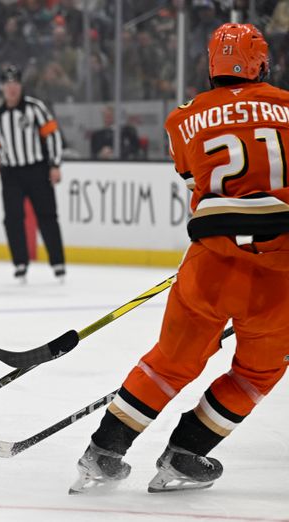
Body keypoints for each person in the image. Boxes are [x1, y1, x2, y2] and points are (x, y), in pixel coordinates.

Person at [70, 23, 289, 494]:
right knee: (257, 372)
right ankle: (186, 455)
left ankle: (102, 453)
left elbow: (198, 182)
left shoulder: (182, 118)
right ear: (262, 62)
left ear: (211, 65)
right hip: (281, 271)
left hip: (211, 261)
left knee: (169, 362)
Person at [0, 65, 66, 282]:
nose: (12, 88)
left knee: (47, 216)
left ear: (21, 86)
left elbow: (52, 134)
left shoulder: (34, 108)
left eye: (16, 83)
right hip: (11, 173)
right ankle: (20, 263)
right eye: (8, 84)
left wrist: (55, 164)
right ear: (2, 88)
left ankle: (58, 262)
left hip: (37, 169)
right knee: (12, 219)